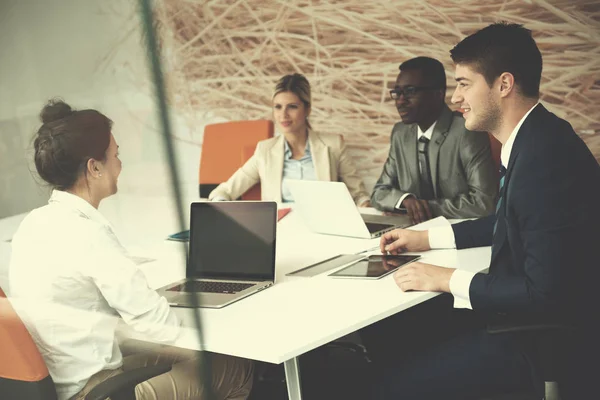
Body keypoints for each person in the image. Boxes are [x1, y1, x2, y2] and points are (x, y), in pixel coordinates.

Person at [371, 23, 600, 399]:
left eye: (464, 83)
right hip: (525, 321)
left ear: (504, 85)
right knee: (394, 336)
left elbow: (543, 294)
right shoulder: (538, 138)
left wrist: (445, 279)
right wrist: (424, 237)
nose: (456, 97)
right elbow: (509, 221)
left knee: (389, 384)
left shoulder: (543, 159)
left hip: (539, 343)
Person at [8, 100, 254, 400]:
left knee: (192, 358)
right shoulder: (87, 232)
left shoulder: (32, 225)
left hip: (66, 380)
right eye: (116, 155)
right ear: (94, 167)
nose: (120, 165)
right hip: (95, 390)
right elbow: (156, 325)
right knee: (231, 369)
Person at [209, 73, 371, 206]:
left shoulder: (333, 145)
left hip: (326, 231)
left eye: (292, 107)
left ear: (307, 109)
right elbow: (225, 191)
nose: (283, 115)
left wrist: (367, 207)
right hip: (281, 232)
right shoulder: (265, 151)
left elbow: (359, 195)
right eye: (278, 107)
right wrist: (222, 208)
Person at [371, 57, 497, 224]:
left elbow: (484, 203)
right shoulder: (400, 134)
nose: (401, 101)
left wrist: (426, 208)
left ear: (438, 94)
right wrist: (405, 201)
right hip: (411, 232)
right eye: (398, 92)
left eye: (410, 91)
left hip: (457, 233)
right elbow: (378, 193)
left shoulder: (466, 131)